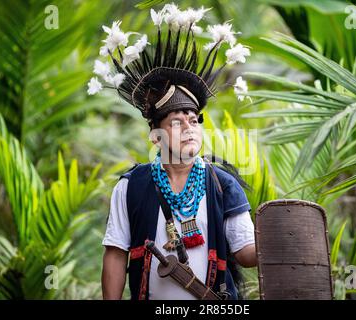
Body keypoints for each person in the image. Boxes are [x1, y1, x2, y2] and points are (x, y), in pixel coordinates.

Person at [89, 3, 256, 300]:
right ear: (156, 136)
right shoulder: (131, 186)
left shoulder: (223, 184)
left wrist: (284, 236)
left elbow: (245, 252)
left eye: (193, 121)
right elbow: (115, 254)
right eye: (177, 123)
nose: (189, 128)